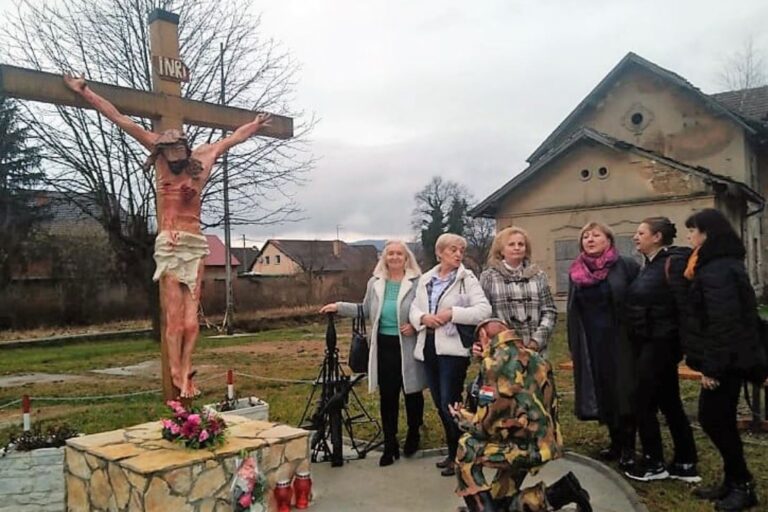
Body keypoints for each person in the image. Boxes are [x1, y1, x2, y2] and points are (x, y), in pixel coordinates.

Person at [63, 74, 272, 398]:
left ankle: (186, 367)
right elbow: (119, 118)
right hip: (171, 241)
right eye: (167, 156)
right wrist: (85, 91)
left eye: (177, 156)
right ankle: (176, 372)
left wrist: (255, 124)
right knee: (174, 322)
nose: (172, 162)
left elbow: (233, 139)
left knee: (192, 323)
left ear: (186, 151)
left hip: (195, 242)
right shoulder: (157, 151)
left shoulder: (204, 158)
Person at [451, 318, 591, 512]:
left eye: (478, 342)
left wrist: (462, 417)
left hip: (524, 446)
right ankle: (562, 492)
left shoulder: (493, 364)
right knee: (501, 502)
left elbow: (485, 426)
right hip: (544, 443)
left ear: (484, 336)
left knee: (466, 449)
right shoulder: (537, 358)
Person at [678, 209, 760, 511]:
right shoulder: (719, 265)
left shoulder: (717, 270)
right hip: (728, 357)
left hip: (725, 360)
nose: (689, 236)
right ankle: (733, 481)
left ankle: (743, 484)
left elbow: (723, 322)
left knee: (713, 419)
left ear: (706, 234)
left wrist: (711, 367)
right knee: (718, 419)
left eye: (693, 231)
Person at [320, 240, 427, 466]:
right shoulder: (375, 282)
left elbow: (427, 311)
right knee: (387, 397)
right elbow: (365, 310)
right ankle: (390, 444)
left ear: (406, 258)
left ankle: (413, 434)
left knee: (412, 394)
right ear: (385, 258)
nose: (395, 257)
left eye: (400, 253)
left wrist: (416, 324)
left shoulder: (418, 282)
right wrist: (338, 307)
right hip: (384, 346)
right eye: (391, 254)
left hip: (407, 345)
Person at [623, 217, 699, 482]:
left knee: (642, 401)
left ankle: (654, 463)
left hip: (661, 345)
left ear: (657, 237)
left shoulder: (672, 264)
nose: (635, 237)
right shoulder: (650, 265)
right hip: (650, 343)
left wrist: (685, 347)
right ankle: (686, 462)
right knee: (669, 402)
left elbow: (684, 307)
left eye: (641, 232)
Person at [409, 233, 491, 476]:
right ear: (439, 253)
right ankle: (454, 451)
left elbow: (483, 310)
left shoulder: (467, 279)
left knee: (450, 404)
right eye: (452, 250)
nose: (458, 255)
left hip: (453, 351)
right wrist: (422, 318)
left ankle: (462, 455)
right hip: (428, 346)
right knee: (439, 403)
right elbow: (415, 307)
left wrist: (451, 314)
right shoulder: (426, 279)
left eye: (461, 251)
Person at [567, 221, 639, 469]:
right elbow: (573, 308)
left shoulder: (626, 266)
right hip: (591, 341)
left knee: (624, 393)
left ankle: (630, 447)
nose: (589, 239)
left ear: (609, 240)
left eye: (595, 235)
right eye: (585, 236)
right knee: (603, 391)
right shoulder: (576, 271)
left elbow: (638, 302)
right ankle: (615, 442)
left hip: (621, 341)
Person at [480, 226, 557, 353]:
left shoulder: (538, 275)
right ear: (501, 250)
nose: (517, 247)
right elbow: (484, 314)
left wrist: (537, 341)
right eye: (511, 244)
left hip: (535, 352)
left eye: (521, 244)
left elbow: (549, 311)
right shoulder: (488, 277)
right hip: (501, 351)